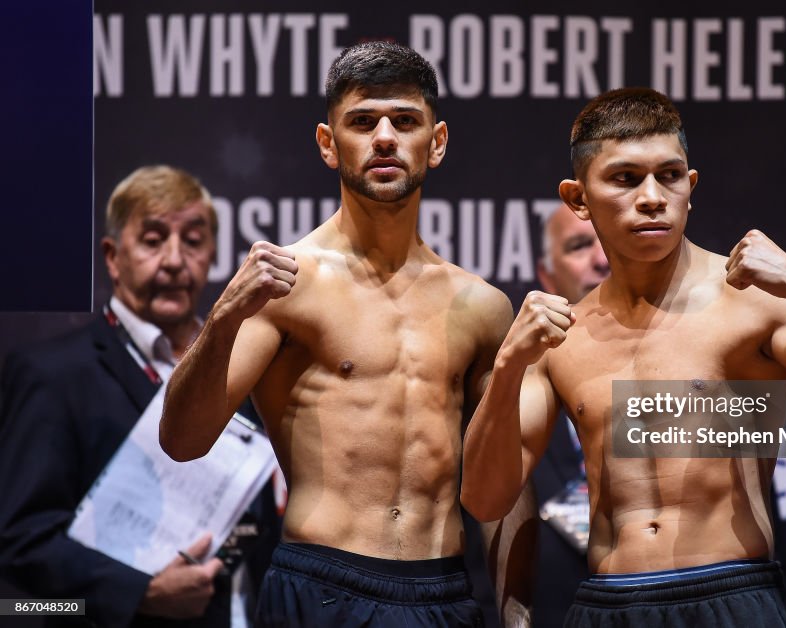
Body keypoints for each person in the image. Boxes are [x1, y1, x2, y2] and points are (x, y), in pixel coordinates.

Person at [461, 88, 786, 627]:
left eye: (669, 176)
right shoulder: (563, 338)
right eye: (625, 178)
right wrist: (510, 364)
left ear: (690, 185)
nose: (653, 196)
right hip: (609, 604)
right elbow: (486, 500)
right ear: (578, 198)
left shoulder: (752, 306)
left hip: (730, 594)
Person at [159, 41, 522, 627]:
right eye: (362, 121)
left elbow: (502, 486)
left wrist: (517, 612)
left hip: (443, 591)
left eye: (405, 121)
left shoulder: (481, 306)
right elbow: (182, 440)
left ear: (437, 141)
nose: (384, 138)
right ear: (329, 144)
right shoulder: (286, 285)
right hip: (320, 585)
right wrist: (223, 316)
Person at [0, 165, 279, 627]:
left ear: (212, 254)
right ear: (112, 256)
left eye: (192, 241)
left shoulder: (242, 368)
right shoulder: (53, 375)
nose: (174, 260)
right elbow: (18, 537)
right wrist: (138, 593)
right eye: (152, 240)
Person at [530, 204, 607, 626]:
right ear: (545, 276)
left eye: (611, 241)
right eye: (580, 246)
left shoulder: (698, 379)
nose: (602, 259)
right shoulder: (504, 389)